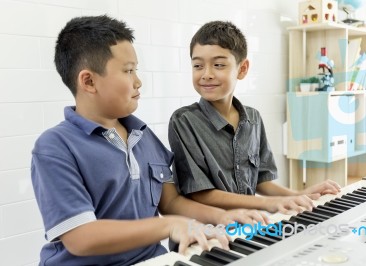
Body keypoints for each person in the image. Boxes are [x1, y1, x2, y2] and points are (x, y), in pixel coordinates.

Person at [30, 15, 269, 266]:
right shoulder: (55, 147)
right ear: (89, 81)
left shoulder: (142, 136)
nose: (138, 81)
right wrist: (170, 225)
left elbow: (172, 202)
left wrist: (226, 217)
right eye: (128, 70)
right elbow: (81, 238)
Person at [168, 20, 341, 215]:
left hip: (248, 225)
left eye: (218, 65)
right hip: (206, 233)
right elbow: (200, 193)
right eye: (198, 65)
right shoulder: (183, 121)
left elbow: (262, 180)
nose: (206, 74)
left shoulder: (253, 118)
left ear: (242, 69)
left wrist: (298, 194)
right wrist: (266, 204)